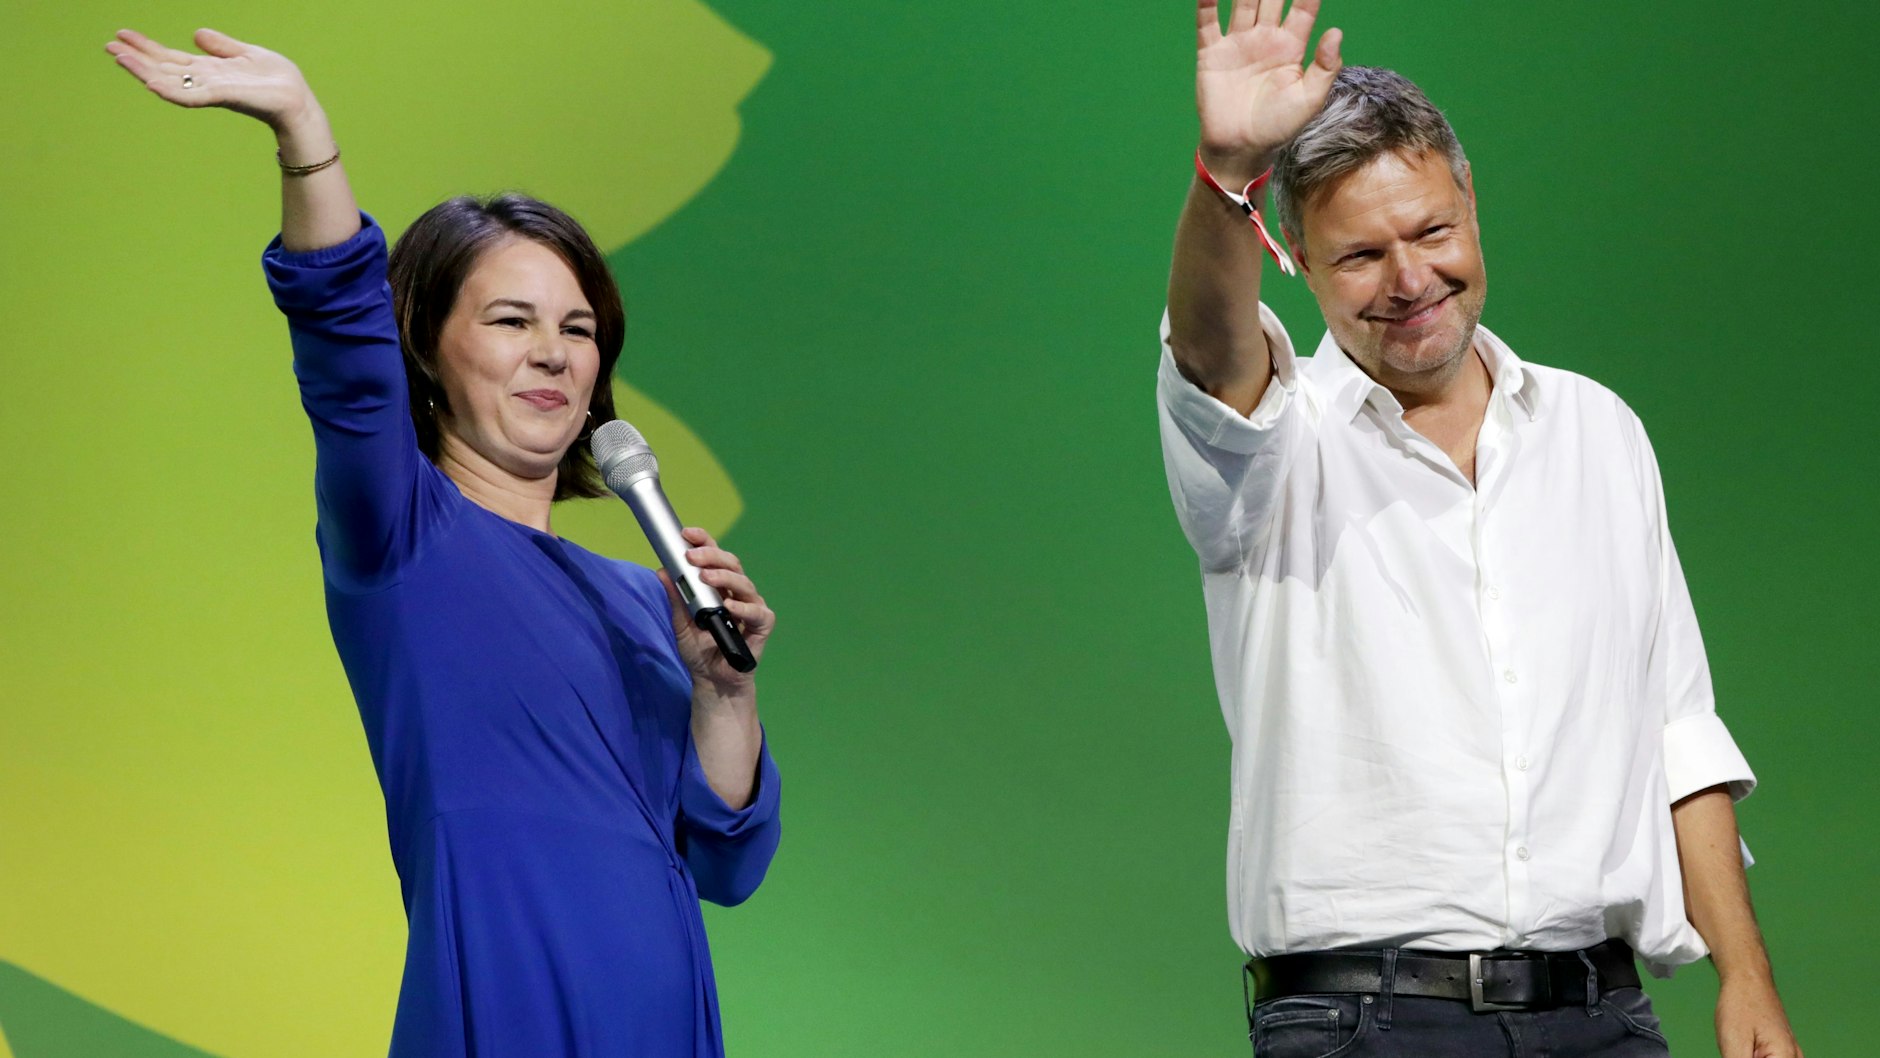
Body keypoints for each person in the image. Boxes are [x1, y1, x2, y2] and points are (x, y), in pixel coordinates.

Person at [105, 28, 781, 1058]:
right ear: (426, 341)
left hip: (658, 1008)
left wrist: (723, 689)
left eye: (579, 328)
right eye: (511, 320)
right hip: (502, 991)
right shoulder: (403, 536)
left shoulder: (651, 600)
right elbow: (342, 346)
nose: (552, 353)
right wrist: (304, 135)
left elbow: (725, 864)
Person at [1158, 2, 1800, 1056]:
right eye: (1360, 254)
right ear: (1294, 260)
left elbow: (1674, 728)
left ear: (1470, 204)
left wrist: (1746, 977)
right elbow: (1208, 347)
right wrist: (1225, 176)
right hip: (1362, 1022)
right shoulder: (1272, 444)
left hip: (1602, 1011)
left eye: (1431, 231)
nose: (1410, 281)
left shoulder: (1596, 430)